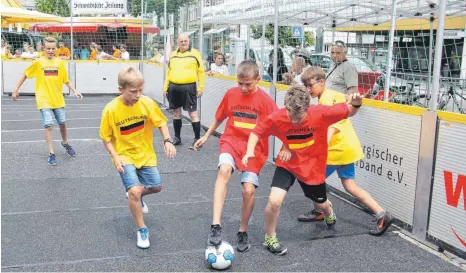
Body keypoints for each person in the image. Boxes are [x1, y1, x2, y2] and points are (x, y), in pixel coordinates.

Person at [242, 85, 363, 255]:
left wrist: (356, 104)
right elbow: (256, 132)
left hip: (312, 168)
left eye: (299, 117)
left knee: (321, 204)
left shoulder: (321, 112)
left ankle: (329, 211)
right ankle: (270, 238)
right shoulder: (277, 117)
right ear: (286, 108)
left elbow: (349, 111)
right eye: (291, 115)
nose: (295, 120)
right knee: (274, 201)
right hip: (288, 164)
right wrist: (249, 151)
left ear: (308, 108)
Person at [295, 66, 394, 235]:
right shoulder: (332, 95)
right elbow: (349, 105)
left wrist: (318, 149)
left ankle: (322, 210)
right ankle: (382, 214)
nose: (308, 89)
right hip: (347, 148)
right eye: (305, 86)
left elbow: (331, 126)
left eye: (310, 85)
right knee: (349, 185)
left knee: (310, 180)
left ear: (322, 82)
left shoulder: (326, 99)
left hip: (337, 150)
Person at [193, 60, 278, 252]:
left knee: (248, 190)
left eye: (248, 84)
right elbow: (220, 116)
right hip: (231, 141)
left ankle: (243, 230)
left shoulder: (265, 101)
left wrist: (287, 147)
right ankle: (216, 226)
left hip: (254, 150)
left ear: (258, 80)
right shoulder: (231, 94)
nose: (243, 88)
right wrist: (206, 136)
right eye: (240, 83)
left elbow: (280, 124)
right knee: (224, 170)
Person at [99, 67, 177, 249]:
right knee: (134, 191)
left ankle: (136, 196)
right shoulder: (111, 110)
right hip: (124, 155)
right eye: (133, 91)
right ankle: (142, 229)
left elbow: (161, 122)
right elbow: (106, 137)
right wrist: (115, 156)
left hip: (145, 153)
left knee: (156, 186)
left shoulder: (147, 103)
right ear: (121, 89)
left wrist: (167, 140)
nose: (138, 95)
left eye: (141, 90)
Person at [12, 36, 82, 166]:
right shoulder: (38, 62)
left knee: (62, 122)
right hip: (44, 99)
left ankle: (65, 143)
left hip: (57, 99)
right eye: (48, 48)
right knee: (49, 125)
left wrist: (74, 90)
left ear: (56, 49)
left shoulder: (60, 62)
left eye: (53, 48)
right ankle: (51, 153)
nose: (50, 51)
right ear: (44, 48)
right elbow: (25, 75)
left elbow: (66, 80)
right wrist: (16, 89)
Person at [164, 33, 205, 149]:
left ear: (189, 41)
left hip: (189, 88)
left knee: (193, 114)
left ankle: (197, 139)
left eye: (185, 41)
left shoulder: (195, 54)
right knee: (176, 113)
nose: (183, 43)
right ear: (177, 42)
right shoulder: (172, 55)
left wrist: (200, 88)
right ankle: (177, 138)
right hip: (173, 87)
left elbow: (201, 72)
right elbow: (169, 73)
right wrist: (165, 87)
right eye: (181, 41)